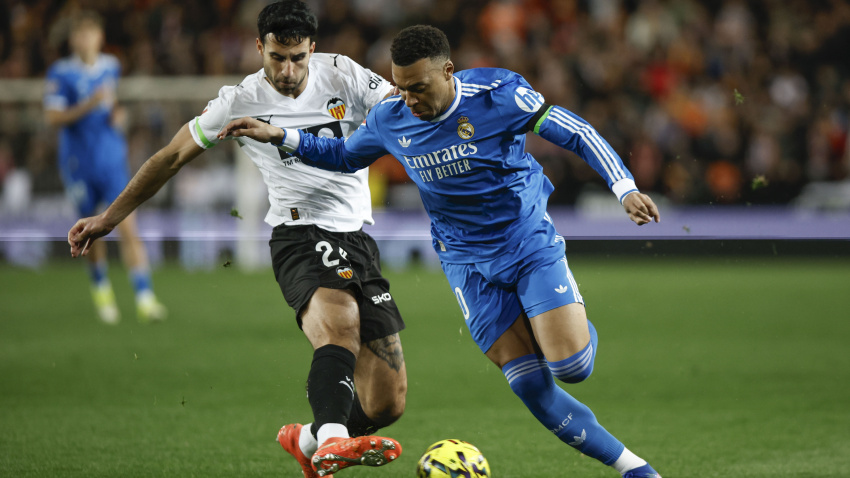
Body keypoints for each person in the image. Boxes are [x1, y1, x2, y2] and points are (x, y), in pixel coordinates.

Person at [219, 25, 663, 478]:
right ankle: (636, 470)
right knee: (531, 386)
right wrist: (281, 136)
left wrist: (623, 187)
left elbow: (576, 131)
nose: (408, 98)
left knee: (570, 367)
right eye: (401, 86)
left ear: (448, 72)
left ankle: (560, 311)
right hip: (466, 264)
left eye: (418, 88)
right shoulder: (392, 117)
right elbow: (342, 156)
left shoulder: (499, 93)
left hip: (526, 243)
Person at [67, 2, 406, 477]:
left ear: (313, 48)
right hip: (300, 231)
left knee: (388, 400)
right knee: (340, 326)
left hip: (357, 238)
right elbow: (169, 158)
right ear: (258, 47)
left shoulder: (345, 75)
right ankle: (332, 442)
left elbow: (405, 109)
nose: (287, 71)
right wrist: (110, 217)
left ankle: (307, 440)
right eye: (276, 58)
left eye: (297, 58)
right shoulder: (238, 100)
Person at [45, 10, 167, 324]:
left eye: (91, 34)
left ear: (99, 37)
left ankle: (145, 298)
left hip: (111, 159)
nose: (85, 40)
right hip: (78, 163)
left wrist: (117, 115)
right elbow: (53, 117)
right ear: (73, 39)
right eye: (80, 34)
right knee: (89, 233)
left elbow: (110, 105)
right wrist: (88, 105)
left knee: (129, 226)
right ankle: (103, 293)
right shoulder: (61, 73)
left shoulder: (111, 66)